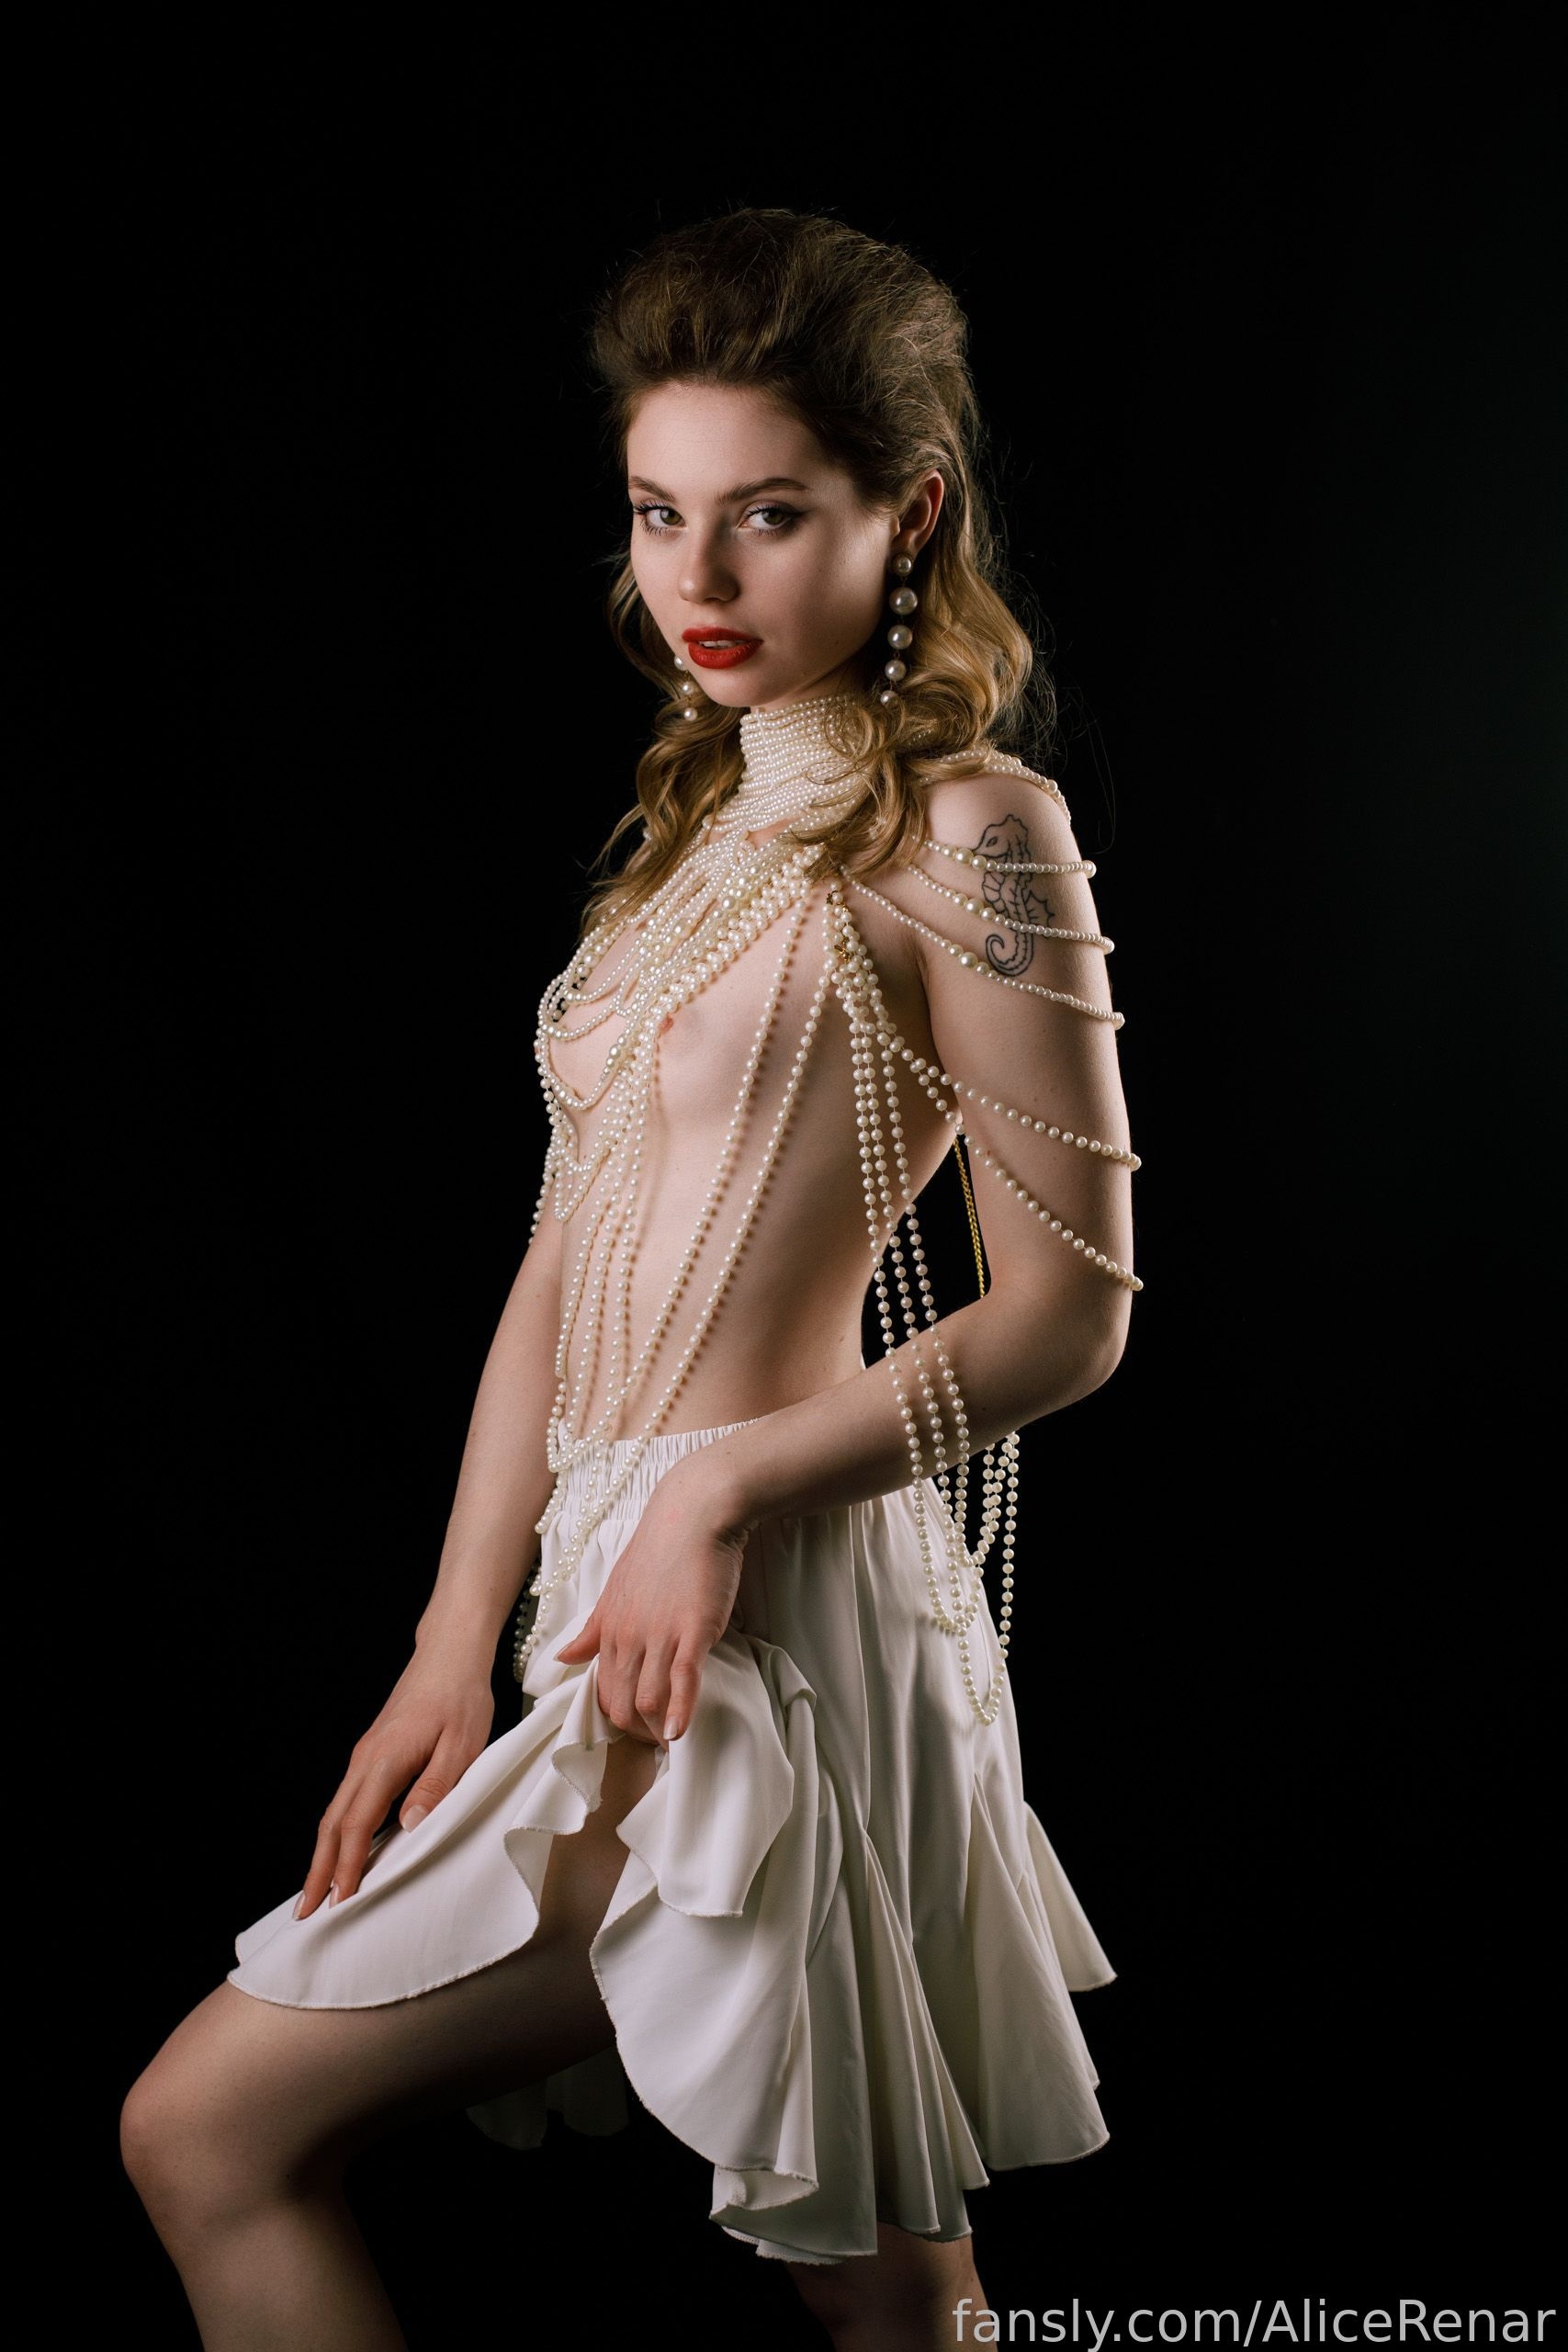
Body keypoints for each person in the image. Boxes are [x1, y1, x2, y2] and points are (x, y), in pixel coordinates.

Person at [120, 205, 1139, 2351]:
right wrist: (444, 1643)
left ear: (904, 511)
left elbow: (1069, 1312)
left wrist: (717, 1485)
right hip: (612, 1579)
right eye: (660, 512)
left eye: (767, 513)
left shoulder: (972, 831)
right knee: (889, 2288)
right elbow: (557, 1266)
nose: (698, 575)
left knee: (220, 2130)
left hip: (768, 1601)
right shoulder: (684, 848)